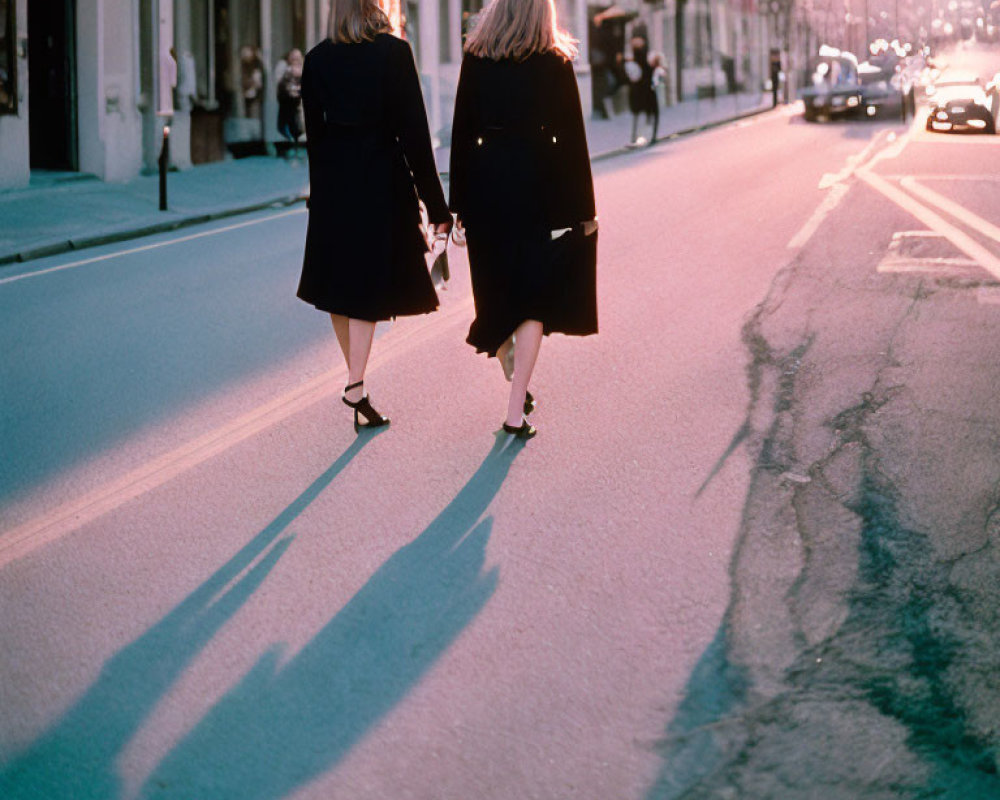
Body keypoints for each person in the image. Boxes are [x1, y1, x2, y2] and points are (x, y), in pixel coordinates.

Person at [297, 0, 452, 431]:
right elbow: (416, 136)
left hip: (332, 188)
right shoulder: (393, 53)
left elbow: (316, 139)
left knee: (338, 287)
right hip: (380, 183)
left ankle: (358, 386)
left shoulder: (316, 60)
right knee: (364, 288)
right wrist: (437, 207)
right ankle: (354, 383)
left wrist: (320, 197)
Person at [449, 0, 598, 440]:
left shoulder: (477, 57)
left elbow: (461, 130)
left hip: (485, 182)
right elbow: (572, 138)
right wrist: (583, 210)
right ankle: (515, 410)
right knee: (533, 297)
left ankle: (509, 365)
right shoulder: (554, 60)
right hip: (538, 185)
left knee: (493, 291)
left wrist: (457, 204)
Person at [625, 36, 658, 145]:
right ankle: (647, 136)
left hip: (641, 89)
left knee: (641, 114)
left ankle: (641, 136)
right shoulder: (644, 59)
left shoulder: (634, 59)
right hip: (644, 89)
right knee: (648, 113)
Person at [276, 48, 305, 155]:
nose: (295, 59)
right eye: (293, 57)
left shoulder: (304, 69)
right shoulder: (286, 70)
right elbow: (282, 83)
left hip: (297, 102)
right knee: (282, 125)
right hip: (286, 101)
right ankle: (289, 145)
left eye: (297, 57)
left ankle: (295, 146)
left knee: (296, 125)